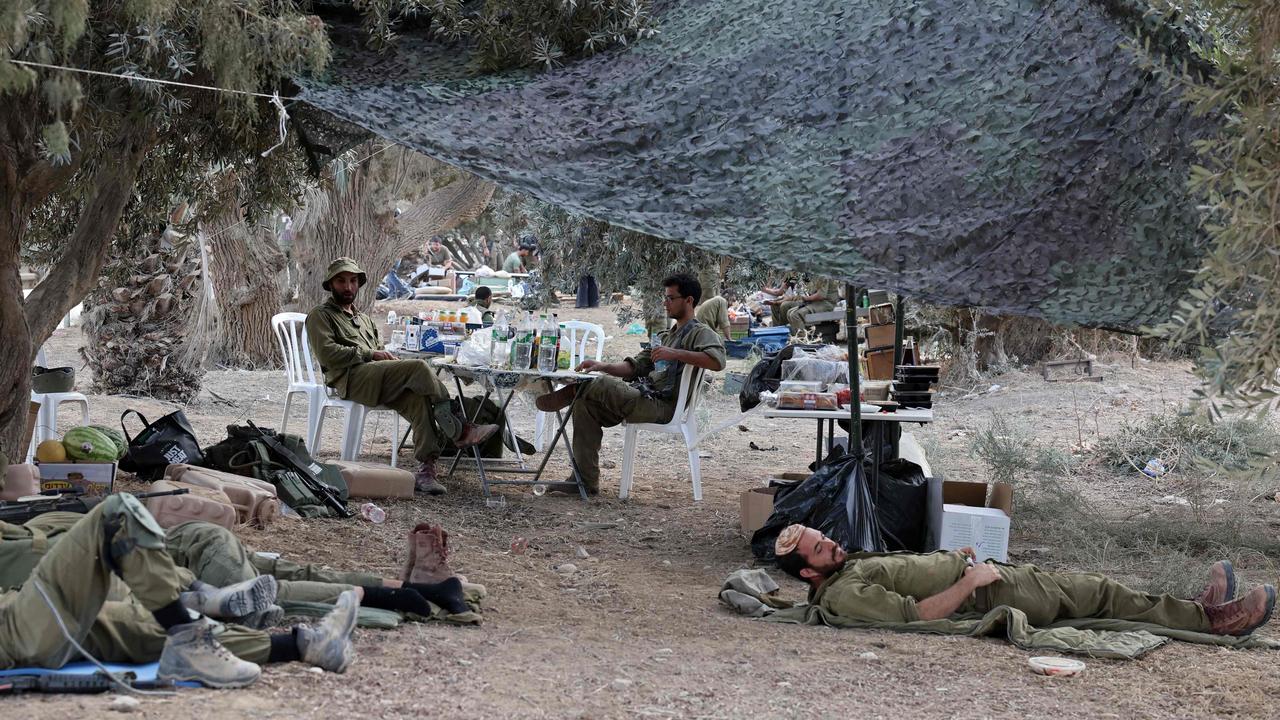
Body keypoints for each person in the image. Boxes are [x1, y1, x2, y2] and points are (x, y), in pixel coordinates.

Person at [0, 494, 360, 687]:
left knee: (143, 625)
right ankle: (196, 611)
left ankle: (306, 645)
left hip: (23, 617)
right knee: (117, 515)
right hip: (14, 630)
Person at [773, 524, 1276, 635]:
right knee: (1100, 594)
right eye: (823, 549)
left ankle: (1190, 609)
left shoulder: (845, 568)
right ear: (811, 572)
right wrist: (969, 583)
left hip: (988, 575)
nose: (834, 544)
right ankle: (1211, 620)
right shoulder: (844, 596)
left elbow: (911, 577)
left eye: (826, 538)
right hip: (993, 589)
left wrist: (952, 558)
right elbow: (914, 615)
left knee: (1097, 593)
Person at [304, 257, 498, 495]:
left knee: (419, 399)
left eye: (353, 281)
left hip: (376, 380)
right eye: (341, 281)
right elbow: (327, 355)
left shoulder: (363, 319)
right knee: (417, 367)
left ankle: (426, 470)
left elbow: (378, 351)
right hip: (349, 380)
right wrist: (371, 354)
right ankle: (460, 428)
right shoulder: (320, 315)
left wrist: (387, 361)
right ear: (331, 285)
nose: (348, 287)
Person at [535, 274, 726, 496]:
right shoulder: (665, 336)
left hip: (662, 406)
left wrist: (676, 354)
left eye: (671, 298)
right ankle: (585, 481)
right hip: (641, 396)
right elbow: (633, 367)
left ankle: (574, 390)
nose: (665, 303)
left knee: (599, 385)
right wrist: (601, 365)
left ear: (689, 301)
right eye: (665, 298)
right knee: (584, 405)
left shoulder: (700, 333)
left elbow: (717, 361)